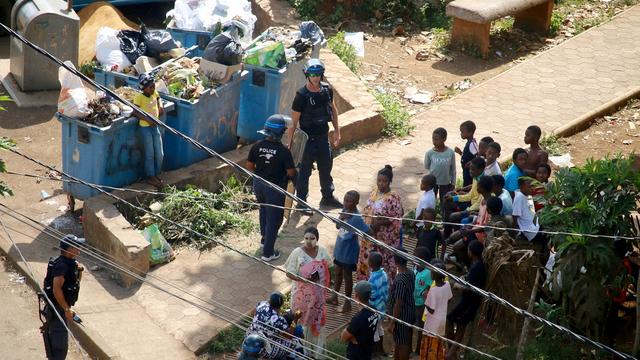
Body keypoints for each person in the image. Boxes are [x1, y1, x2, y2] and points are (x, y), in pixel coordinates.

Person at [288, 59, 342, 214]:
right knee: (304, 172)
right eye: (313, 74)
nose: (316, 77)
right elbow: (294, 122)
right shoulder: (301, 96)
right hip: (307, 140)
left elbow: (333, 110)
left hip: (323, 137)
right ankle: (301, 202)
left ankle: (327, 197)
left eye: (318, 74)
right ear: (307, 75)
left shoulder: (326, 90)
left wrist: (337, 131)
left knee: (326, 168)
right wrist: (290, 144)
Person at [247, 115, 296, 262]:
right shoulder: (284, 151)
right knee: (274, 219)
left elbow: (250, 167)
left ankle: (264, 239)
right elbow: (291, 172)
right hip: (275, 189)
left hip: (259, 185)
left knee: (264, 209)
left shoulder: (256, 146)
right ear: (281, 133)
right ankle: (268, 253)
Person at [284, 227, 332, 353]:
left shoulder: (322, 251)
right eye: (306, 238)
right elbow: (289, 273)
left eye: (312, 238)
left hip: (318, 297)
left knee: (316, 321)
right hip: (301, 297)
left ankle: (316, 352)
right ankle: (302, 352)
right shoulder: (297, 253)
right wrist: (304, 280)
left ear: (317, 239)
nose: (309, 241)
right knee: (302, 321)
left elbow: (329, 266)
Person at [357, 165, 404, 286]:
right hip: (369, 235)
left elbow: (396, 217)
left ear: (390, 182)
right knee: (367, 261)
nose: (381, 183)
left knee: (382, 263)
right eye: (379, 180)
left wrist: (378, 223)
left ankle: (384, 289)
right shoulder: (374, 192)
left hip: (383, 239)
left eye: (384, 181)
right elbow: (367, 208)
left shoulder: (393, 198)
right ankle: (365, 287)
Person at [42, 234, 85, 360]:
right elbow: (56, 289)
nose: (79, 248)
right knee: (59, 347)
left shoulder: (71, 263)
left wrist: (79, 271)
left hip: (60, 308)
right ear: (69, 249)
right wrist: (66, 309)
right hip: (57, 310)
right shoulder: (62, 266)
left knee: (59, 345)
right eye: (76, 246)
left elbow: (76, 283)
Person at [327, 190, 371, 313]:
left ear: (356, 203)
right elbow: (337, 226)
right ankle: (334, 296)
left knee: (347, 276)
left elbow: (368, 231)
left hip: (349, 252)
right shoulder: (344, 211)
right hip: (340, 249)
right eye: (345, 200)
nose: (346, 203)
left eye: (349, 201)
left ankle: (347, 303)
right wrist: (341, 217)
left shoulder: (357, 218)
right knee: (338, 272)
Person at [446, 241, 487, 360]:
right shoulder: (476, 265)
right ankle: (452, 351)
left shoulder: (477, 267)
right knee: (460, 325)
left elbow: (470, 288)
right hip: (469, 301)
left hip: (470, 302)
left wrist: (457, 285)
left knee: (451, 320)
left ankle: (451, 351)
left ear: (471, 252)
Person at [446, 176, 493, 266]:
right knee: (453, 237)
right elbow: (479, 219)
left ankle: (467, 266)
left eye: (478, 186)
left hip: (480, 236)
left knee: (457, 246)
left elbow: (486, 227)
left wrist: (470, 230)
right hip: (474, 229)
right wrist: (471, 224)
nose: (476, 188)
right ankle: (460, 260)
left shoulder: (489, 205)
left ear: (482, 188)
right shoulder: (483, 200)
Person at [245, 292, 303, 359]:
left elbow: (252, 313)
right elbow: (289, 335)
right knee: (296, 336)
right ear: (281, 305)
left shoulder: (262, 304)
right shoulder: (279, 320)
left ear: (270, 301)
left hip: (249, 339)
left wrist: (263, 321)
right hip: (264, 350)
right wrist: (295, 319)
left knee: (276, 333)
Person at [134, 73, 164, 188]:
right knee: (150, 153)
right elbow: (135, 112)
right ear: (144, 88)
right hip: (145, 128)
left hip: (155, 126)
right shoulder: (139, 97)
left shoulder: (154, 92)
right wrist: (147, 119)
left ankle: (157, 174)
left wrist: (160, 106)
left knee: (160, 153)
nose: (153, 89)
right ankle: (150, 177)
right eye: (150, 87)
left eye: (153, 86)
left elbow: (158, 98)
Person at [420, 260, 452, 360]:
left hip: (432, 323)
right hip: (442, 319)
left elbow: (431, 310)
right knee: (438, 343)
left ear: (434, 275)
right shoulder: (447, 284)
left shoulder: (433, 290)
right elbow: (450, 298)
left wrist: (425, 297)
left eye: (431, 271)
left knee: (430, 345)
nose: (430, 273)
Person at [388, 248, 415, 360]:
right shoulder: (410, 273)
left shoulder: (400, 280)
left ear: (395, 261)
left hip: (401, 316)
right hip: (409, 311)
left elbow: (398, 302)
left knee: (402, 344)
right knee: (402, 341)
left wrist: (393, 322)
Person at [341, 281, 379, 360]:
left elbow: (343, 338)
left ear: (356, 295)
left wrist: (351, 333)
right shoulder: (374, 310)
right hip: (368, 351)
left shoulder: (358, 318)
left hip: (356, 355)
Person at [424, 128, 456, 204]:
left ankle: (444, 215)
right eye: (433, 139)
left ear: (444, 139)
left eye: (436, 139)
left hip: (445, 183)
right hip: (432, 183)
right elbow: (427, 166)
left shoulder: (450, 153)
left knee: (444, 202)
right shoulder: (429, 153)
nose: (434, 142)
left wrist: (453, 183)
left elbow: (453, 170)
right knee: (430, 201)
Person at [368, 252, 389, 356]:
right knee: (379, 328)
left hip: (374, 308)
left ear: (371, 263)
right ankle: (381, 349)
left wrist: (368, 306)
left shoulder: (372, 278)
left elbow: (372, 295)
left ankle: (375, 352)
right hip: (382, 307)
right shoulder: (384, 274)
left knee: (374, 331)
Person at [413, 247, 432, 357]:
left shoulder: (428, 272)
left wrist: (426, 292)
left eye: (416, 257)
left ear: (422, 259)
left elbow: (430, 287)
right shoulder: (416, 268)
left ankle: (418, 349)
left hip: (422, 304)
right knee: (416, 325)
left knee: (420, 327)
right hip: (414, 302)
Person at [454, 120, 478, 187]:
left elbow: (479, 157)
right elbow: (469, 156)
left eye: (462, 132)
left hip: (470, 173)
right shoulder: (469, 143)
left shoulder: (472, 144)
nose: (460, 134)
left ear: (470, 132)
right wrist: (460, 152)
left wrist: (471, 162)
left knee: (468, 187)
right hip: (466, 171)